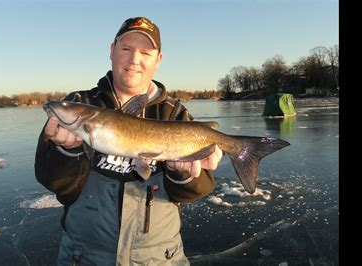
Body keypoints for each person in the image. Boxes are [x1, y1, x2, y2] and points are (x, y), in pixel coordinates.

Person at [35, 16, 223, 265]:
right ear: (112, 51)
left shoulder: (175, 114)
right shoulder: (82, 103)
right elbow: (54, 182)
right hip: (83, 256)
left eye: (146, 52)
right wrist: (67, 151)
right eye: (126, 49)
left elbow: (194, 191)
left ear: (158, 60)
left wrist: (183, 174)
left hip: (159, 258)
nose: (135, 59)